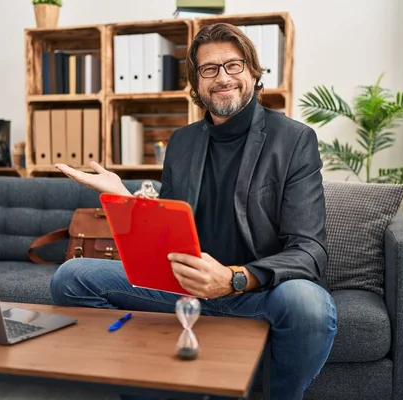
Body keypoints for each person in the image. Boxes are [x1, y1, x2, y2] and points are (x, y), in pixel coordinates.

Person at [50, 22, 337, 400]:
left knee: (308, 304)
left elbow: (309, 251)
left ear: (252, 71)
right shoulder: (182, 142)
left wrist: (234, 278)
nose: (223, 78)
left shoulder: (294, 139)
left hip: (255, 291)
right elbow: (170, 229)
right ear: (197, 83)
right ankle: (156, 383)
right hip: (184, 288)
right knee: (71, 276)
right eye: (209, 69)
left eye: (233, 65)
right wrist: (126, 198)